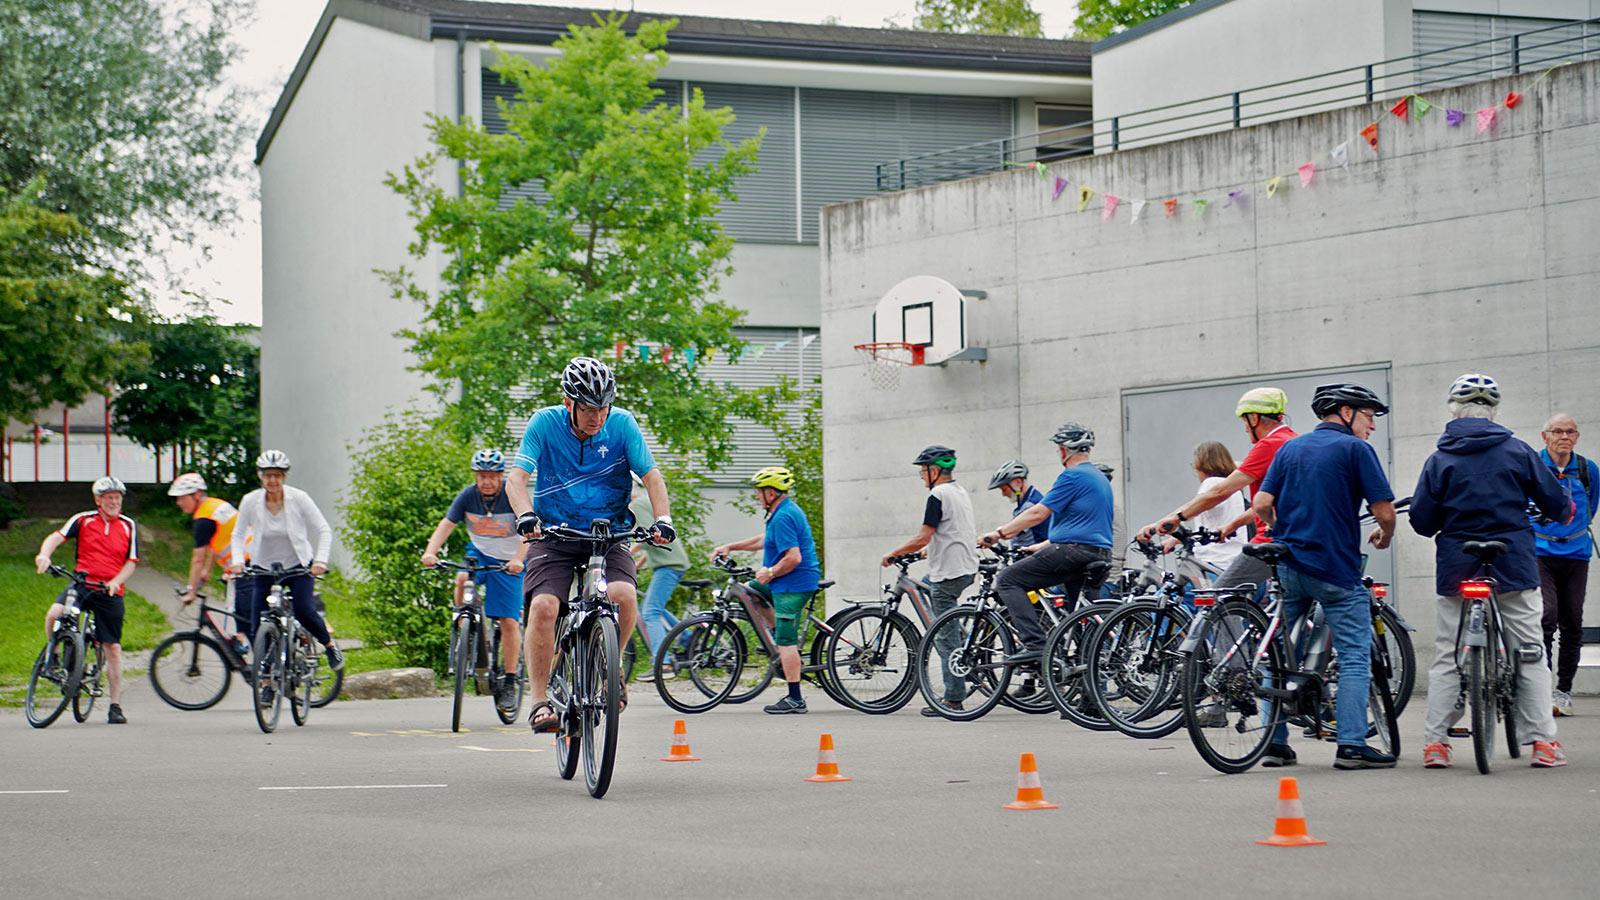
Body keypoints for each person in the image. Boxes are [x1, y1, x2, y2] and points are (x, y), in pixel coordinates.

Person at [1410, 375, 1573, 768]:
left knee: (1449, 651)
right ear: (1494, 411)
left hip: (1457, 560)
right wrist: (1561, 508)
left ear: (1454, 410)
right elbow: (1554, 502)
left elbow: (1420, 519)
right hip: (1512, 558)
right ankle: (1542, 743)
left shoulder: (1440, 458)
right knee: (1530, 650)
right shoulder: (1518, 451)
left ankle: (1436, 744)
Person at [508, 357, 675, 732]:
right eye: (588, 408)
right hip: (553, 533)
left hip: (609, 531)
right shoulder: (545, 423)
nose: (597, 417)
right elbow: (516, 479)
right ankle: (538, 702)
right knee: (545, 607)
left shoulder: (621, 425)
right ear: (569, 402)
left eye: (603, 407)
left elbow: (651, 476)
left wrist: (663, 520)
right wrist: (525, 516)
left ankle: (610, 667)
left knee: (624, 596)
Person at [1252, 383, 1397, 769]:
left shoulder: (1290, 448)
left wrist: (1282, 528)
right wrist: (1385, 534)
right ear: (1346, 412)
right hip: (1334, 568)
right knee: (1353, 655)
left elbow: (1262, 503)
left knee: (1277, 654)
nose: (1372, 426)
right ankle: (1351, 745)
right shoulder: (1355, 450)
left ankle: (1274, 743)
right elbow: (1384, 511)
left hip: (1288, 567)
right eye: (1368, 416)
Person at [1137, 387, 1299, 593]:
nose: (1245, 428)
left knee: (1219, 596)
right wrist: (1232, 525)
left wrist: (1176, 517)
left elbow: (1220, 492)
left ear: (1254, 418)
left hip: (1273, 540)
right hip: (1299, 538)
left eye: (1244, 421)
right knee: (1289, 612)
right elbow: (1271, 503)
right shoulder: (1294, 440)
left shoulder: (1270, 445)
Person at [978, 422, 1113, 665]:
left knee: (1008, 580)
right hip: (1099, 554)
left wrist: (999, 533)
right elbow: (1084, 525)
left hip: (1073, 553)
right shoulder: (1098, 477)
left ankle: (1036, 645)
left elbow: (1039, 513)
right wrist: (1040, 547)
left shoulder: (1072, 476)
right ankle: (1089, 692)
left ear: (1063, 450)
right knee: (1081, 621)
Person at [420, 449, 528, 712]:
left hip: (508, 561)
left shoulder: (511, 496)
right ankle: (464, 623)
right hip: (478, 553)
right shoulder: (468, 495)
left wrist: (518, 560)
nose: (486, 481)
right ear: (475, 476)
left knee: (508, 621)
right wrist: (431, 552)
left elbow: (528, 533)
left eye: (491, 476)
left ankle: (510, 681)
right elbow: (447, 524)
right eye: (481, 476)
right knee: (460, 579)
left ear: (501, 476)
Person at [711, 466, 822, 715]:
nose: (757, 496)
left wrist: (770, 572)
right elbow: (764, 540)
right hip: (782, 581)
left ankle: (795, 697)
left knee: (786, 639)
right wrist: (731, 546)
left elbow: (793, 557)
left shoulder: (783, 515)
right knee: (750, 590)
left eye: (759, 492)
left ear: (771, 493)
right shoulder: (779, 513)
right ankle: (774, 639)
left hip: (793, 584)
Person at [228, 451, 343, 681]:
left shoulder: (299, 498)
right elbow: (238, 533)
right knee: (256, 622)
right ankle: (269, 677)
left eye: (277, 476)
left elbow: (323, 529)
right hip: (263, 567)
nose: (272, 480)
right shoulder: (250, 501)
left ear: (284, 477)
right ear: (261, 476)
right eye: (268, 475)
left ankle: (330, 646)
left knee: (303, 609)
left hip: (298, 566)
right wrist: (239, 561)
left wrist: (320, 561)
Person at [881, 446, 978, 716]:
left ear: (935, 471)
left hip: (948, 572)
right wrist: (929, 550)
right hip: (964, 567)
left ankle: (953, 698)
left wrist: (895, 552)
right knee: (925, 585)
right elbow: (952, 530)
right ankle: (953, 629)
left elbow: (924, 534)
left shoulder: (937, 494)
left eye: (923, 471)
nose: (922, 477)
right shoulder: (959, 491)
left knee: (945, 639)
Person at [35, 476, 139, 725]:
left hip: (110, 591)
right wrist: (44, 555)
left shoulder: (128, 525)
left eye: (118, 497)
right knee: (54, 614)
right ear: (98, 500)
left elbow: (131, 562)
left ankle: (115, 706)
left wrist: (116, 581)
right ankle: (55, 656)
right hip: (82, 585)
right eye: (109, 497)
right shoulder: (83, 520)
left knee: (112, 648)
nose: (115, 502)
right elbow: (56, 537)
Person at [1532, 412, 1597, 718]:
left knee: (1572, 620)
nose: (1564, 437)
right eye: (1557, 431)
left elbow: (1591, 505)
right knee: (1547, 615)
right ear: (1545, 436)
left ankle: (1564, 690)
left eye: (1570, 431)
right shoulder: (1533, 466)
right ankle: (1542, 687)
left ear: (1577, 436)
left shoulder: (1587, 470)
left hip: (1576, 554)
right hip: (1540, 551)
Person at [167, 473, 246, 652]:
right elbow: (215, 541)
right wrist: (207, 571)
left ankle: (247, 645)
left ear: (196, 495)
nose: (178, 502)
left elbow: (197, 558)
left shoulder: (203, 518)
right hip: (247, 559)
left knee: (240, 607)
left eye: (181, 497)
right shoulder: (214, 505)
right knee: (238, 606)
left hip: (245, 563)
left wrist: (192, 591)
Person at [629, 472, 688, 679]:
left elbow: (646, 536)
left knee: (649, 612)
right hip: (669, 563)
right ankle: (688, 638)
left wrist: (627, 554)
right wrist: (639, 563)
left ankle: (664, 664)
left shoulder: (638, 504)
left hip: (669, 565)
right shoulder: (647, 501)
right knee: (656, 607)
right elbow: (654, 538)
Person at [1180, 442, 1248, 576]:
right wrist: (1175, 540)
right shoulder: (1233, 488)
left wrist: (1171, 521)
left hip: (1214, 562)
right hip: (1233, 562)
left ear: (1202, 465)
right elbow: (1212, 524)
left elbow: (1194, 508)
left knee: (1175, 593)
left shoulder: (1211, 483)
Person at [988, 460, 1048, 549]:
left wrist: (993, 536)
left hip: (1034, 558)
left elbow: (1011, 532)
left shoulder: (1030, 504)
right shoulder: (1029, 499)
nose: (1003, 494)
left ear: (1018, 482)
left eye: (1004, 489)